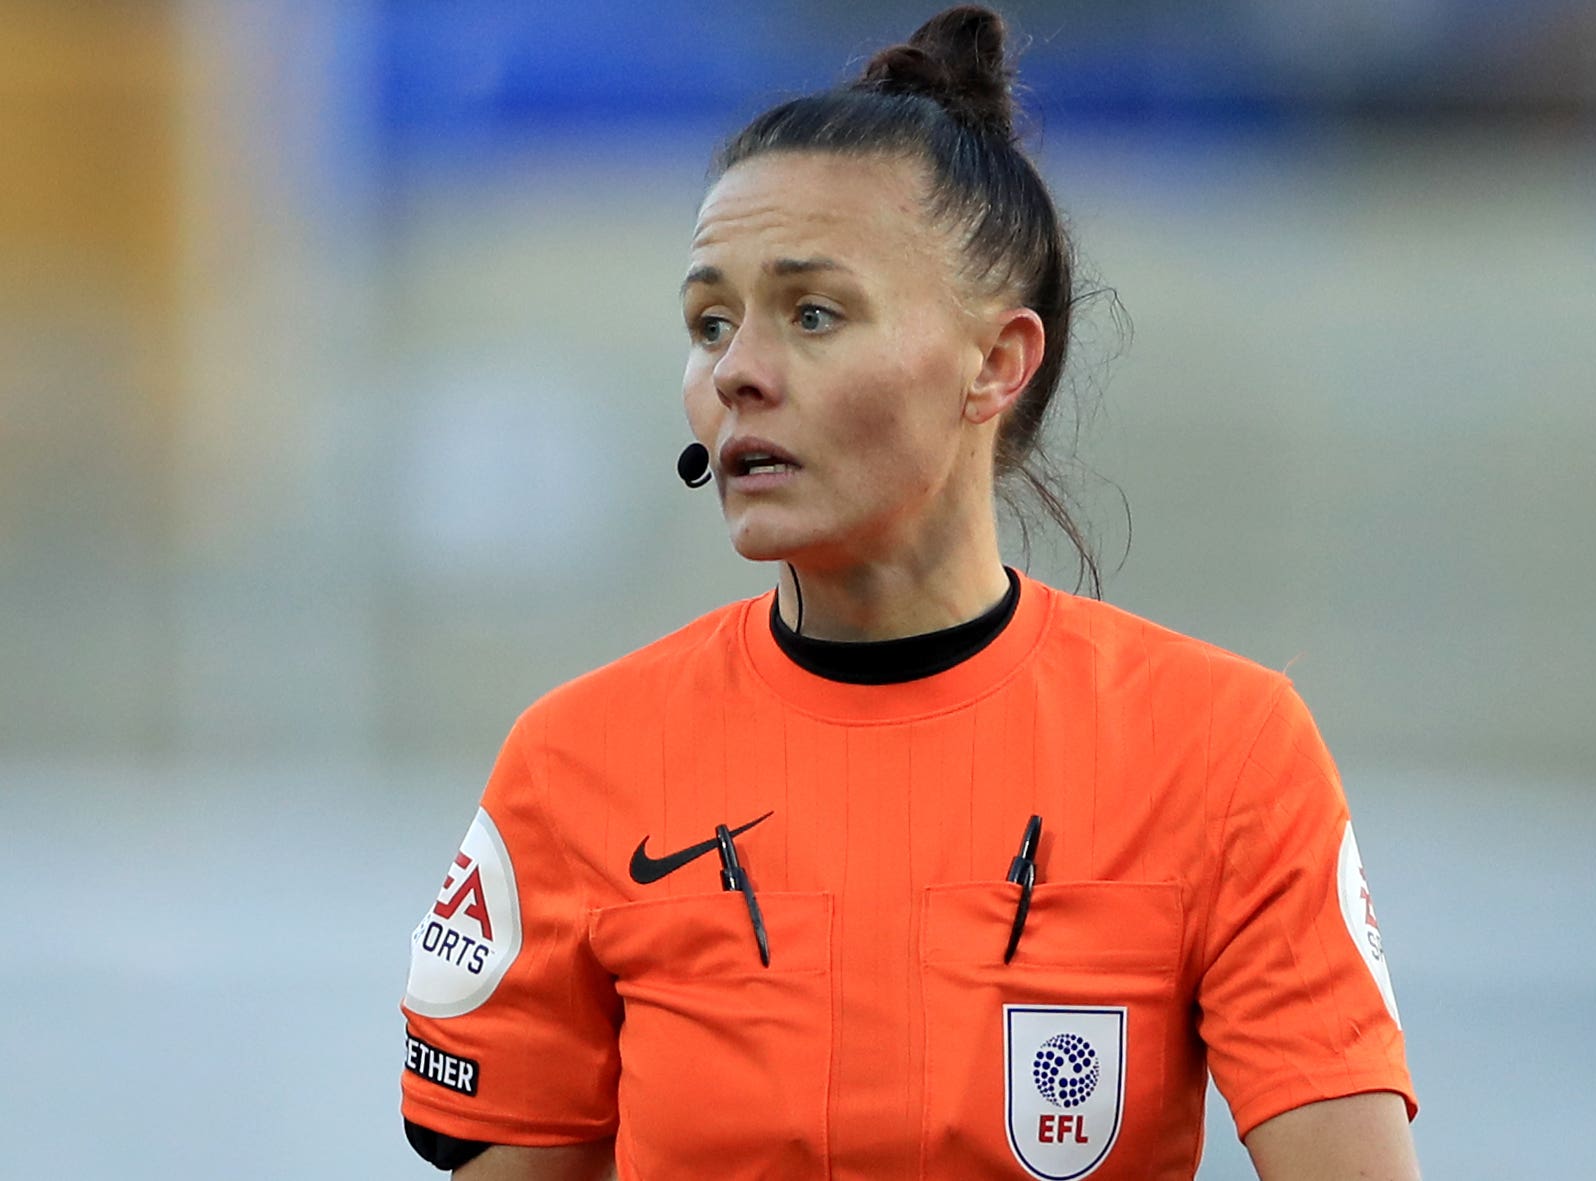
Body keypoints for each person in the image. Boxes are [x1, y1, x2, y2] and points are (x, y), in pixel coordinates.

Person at [398, 6, 1419, 1179]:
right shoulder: (577, 764)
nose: (735, 370)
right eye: (709, 322)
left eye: (812, 313)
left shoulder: (1224, 754)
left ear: (996, 362)